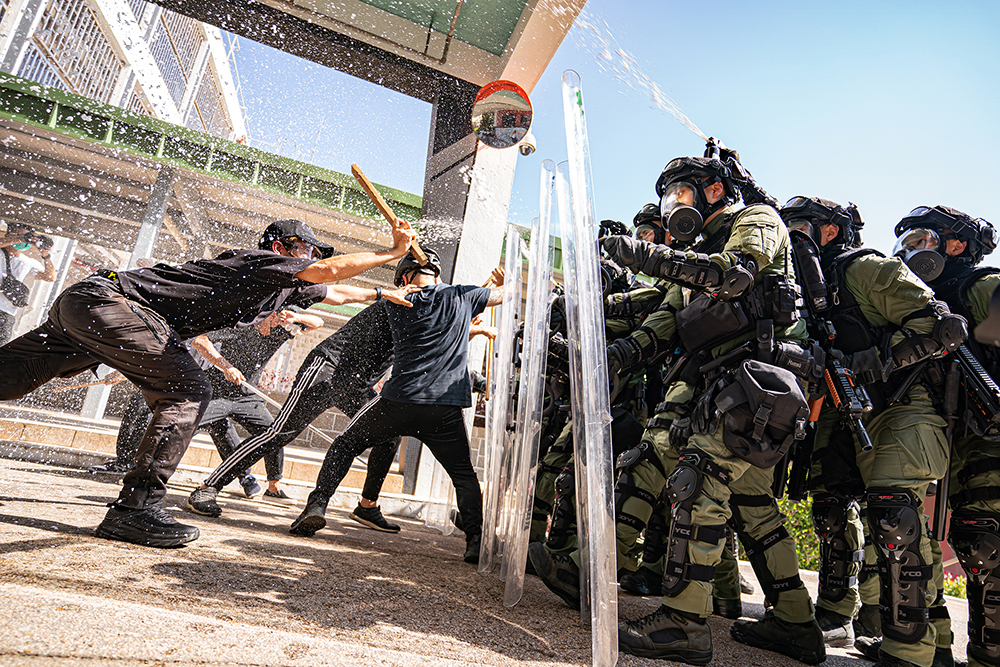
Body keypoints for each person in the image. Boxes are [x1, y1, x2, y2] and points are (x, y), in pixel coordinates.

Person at [0, 217, 418, 548]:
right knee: (187, 391)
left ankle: (136, 506)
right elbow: (327, 269)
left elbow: (337, 293)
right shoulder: (260, 262)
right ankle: (135, 508)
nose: (309, 258)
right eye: (304, 250)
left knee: (10, 378)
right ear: (280, 249)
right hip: (114, 305)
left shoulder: (278, 290)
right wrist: (393, 251)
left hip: (85, 303)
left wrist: (382, 295)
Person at [599, 148, 825, 665]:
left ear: (713, 190)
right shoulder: (698, 249)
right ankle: (795, 623)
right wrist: (611, 354)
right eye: (670, 196)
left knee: (696, 483)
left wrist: (645, 256)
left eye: (681, 192)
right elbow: (668, 323)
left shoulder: (756, 220)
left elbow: (735, 275)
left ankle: (684, 624)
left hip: (754, 383)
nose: (674, 204)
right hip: (713, 383)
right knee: (738, 503)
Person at [782, 197, 966, 667]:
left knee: (896, 522)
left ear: (832, 232)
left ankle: (909, 652)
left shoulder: (863, 269)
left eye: (806, 226)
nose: (794, 234)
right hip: (850, 416)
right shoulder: (806, 290)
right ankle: (936, 644)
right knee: (848, 515)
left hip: (904, 407)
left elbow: (942, 326)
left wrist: (877, 360)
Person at [286, 247, 503, 564]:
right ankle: (475, 540)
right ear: (439, 276)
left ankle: (317, 506)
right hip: (443, 409)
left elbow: (428, 330)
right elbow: (495, 300)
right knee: (464, 476)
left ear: (403, 278)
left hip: (398, 401)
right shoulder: (460, 296)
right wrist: (488, 297)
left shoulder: (395, 302)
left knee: (346, 444)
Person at [892, 205, 1000, 667]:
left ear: (956, 246)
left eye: (924, 241)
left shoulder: (980, 286)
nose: (914, 252)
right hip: (956, 435)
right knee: (963, 540)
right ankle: (945, 648)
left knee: (987, 546)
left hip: (991, 434)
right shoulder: (920, 301)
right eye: (910, 244)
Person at [90, 308, 323, 501]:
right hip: (217, 393)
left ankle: (273, 486)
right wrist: (225, 366)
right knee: (180, 426)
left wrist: (297, 318)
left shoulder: (280, 332)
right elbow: (201, 340)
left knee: (274, 434)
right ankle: (142, 474)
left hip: (246, 397)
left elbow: (317, 322)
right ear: (266, 315)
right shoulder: (239, 327)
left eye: (281, 320)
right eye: (274, 317)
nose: (275, 323)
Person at [0, 224, 56, 344]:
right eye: (20, 235)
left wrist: (45, 254)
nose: (24, 240)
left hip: (7, 315)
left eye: (27, 238)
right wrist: (22, 238)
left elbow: (50, 277)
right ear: (7, 235)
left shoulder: (29, 263)